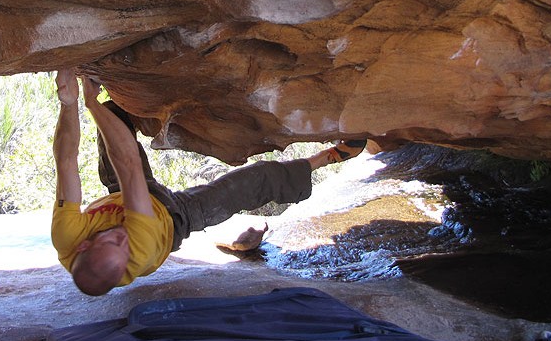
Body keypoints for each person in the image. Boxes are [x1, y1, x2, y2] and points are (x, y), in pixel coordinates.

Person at [51, 68, 367, 296]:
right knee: (254, 181)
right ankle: (326, 158)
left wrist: (69, 102)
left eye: (111, 242)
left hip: (121, 195)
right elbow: (128, 165)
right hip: (174, 216)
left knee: (114, 116)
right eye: (124, 250)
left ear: (84, 244)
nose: (123, 239)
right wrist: (89, 104)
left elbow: (66, 161)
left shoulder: (66, 236)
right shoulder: (140, 248)